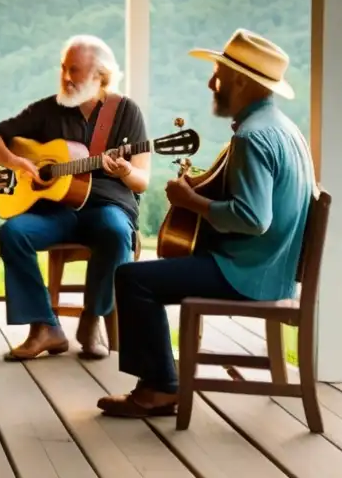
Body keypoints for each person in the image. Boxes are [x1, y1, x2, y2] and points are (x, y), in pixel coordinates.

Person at [97, 29, 314, 418]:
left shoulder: (253, 136)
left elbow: (253, 219)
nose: (211, 82)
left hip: (246, 274)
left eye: (218, 73)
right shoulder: (285, 129)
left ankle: (161, 388)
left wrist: (190, 201)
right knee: (143, 275)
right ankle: (158, 381)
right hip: (272, 271)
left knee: (132, 278)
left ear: (242, 81)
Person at [0, 35, 150, 360]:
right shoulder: (48, 110)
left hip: (107, 207)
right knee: (11, 233)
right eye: (63, 69)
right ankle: (45, 326)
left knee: (115, 231)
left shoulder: (126, 112)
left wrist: (124, 172)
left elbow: (141, 181)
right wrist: (16, 162)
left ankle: (92, 316)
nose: (67, 78)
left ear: (100, 76)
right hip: (55, 212)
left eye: (75, 70)